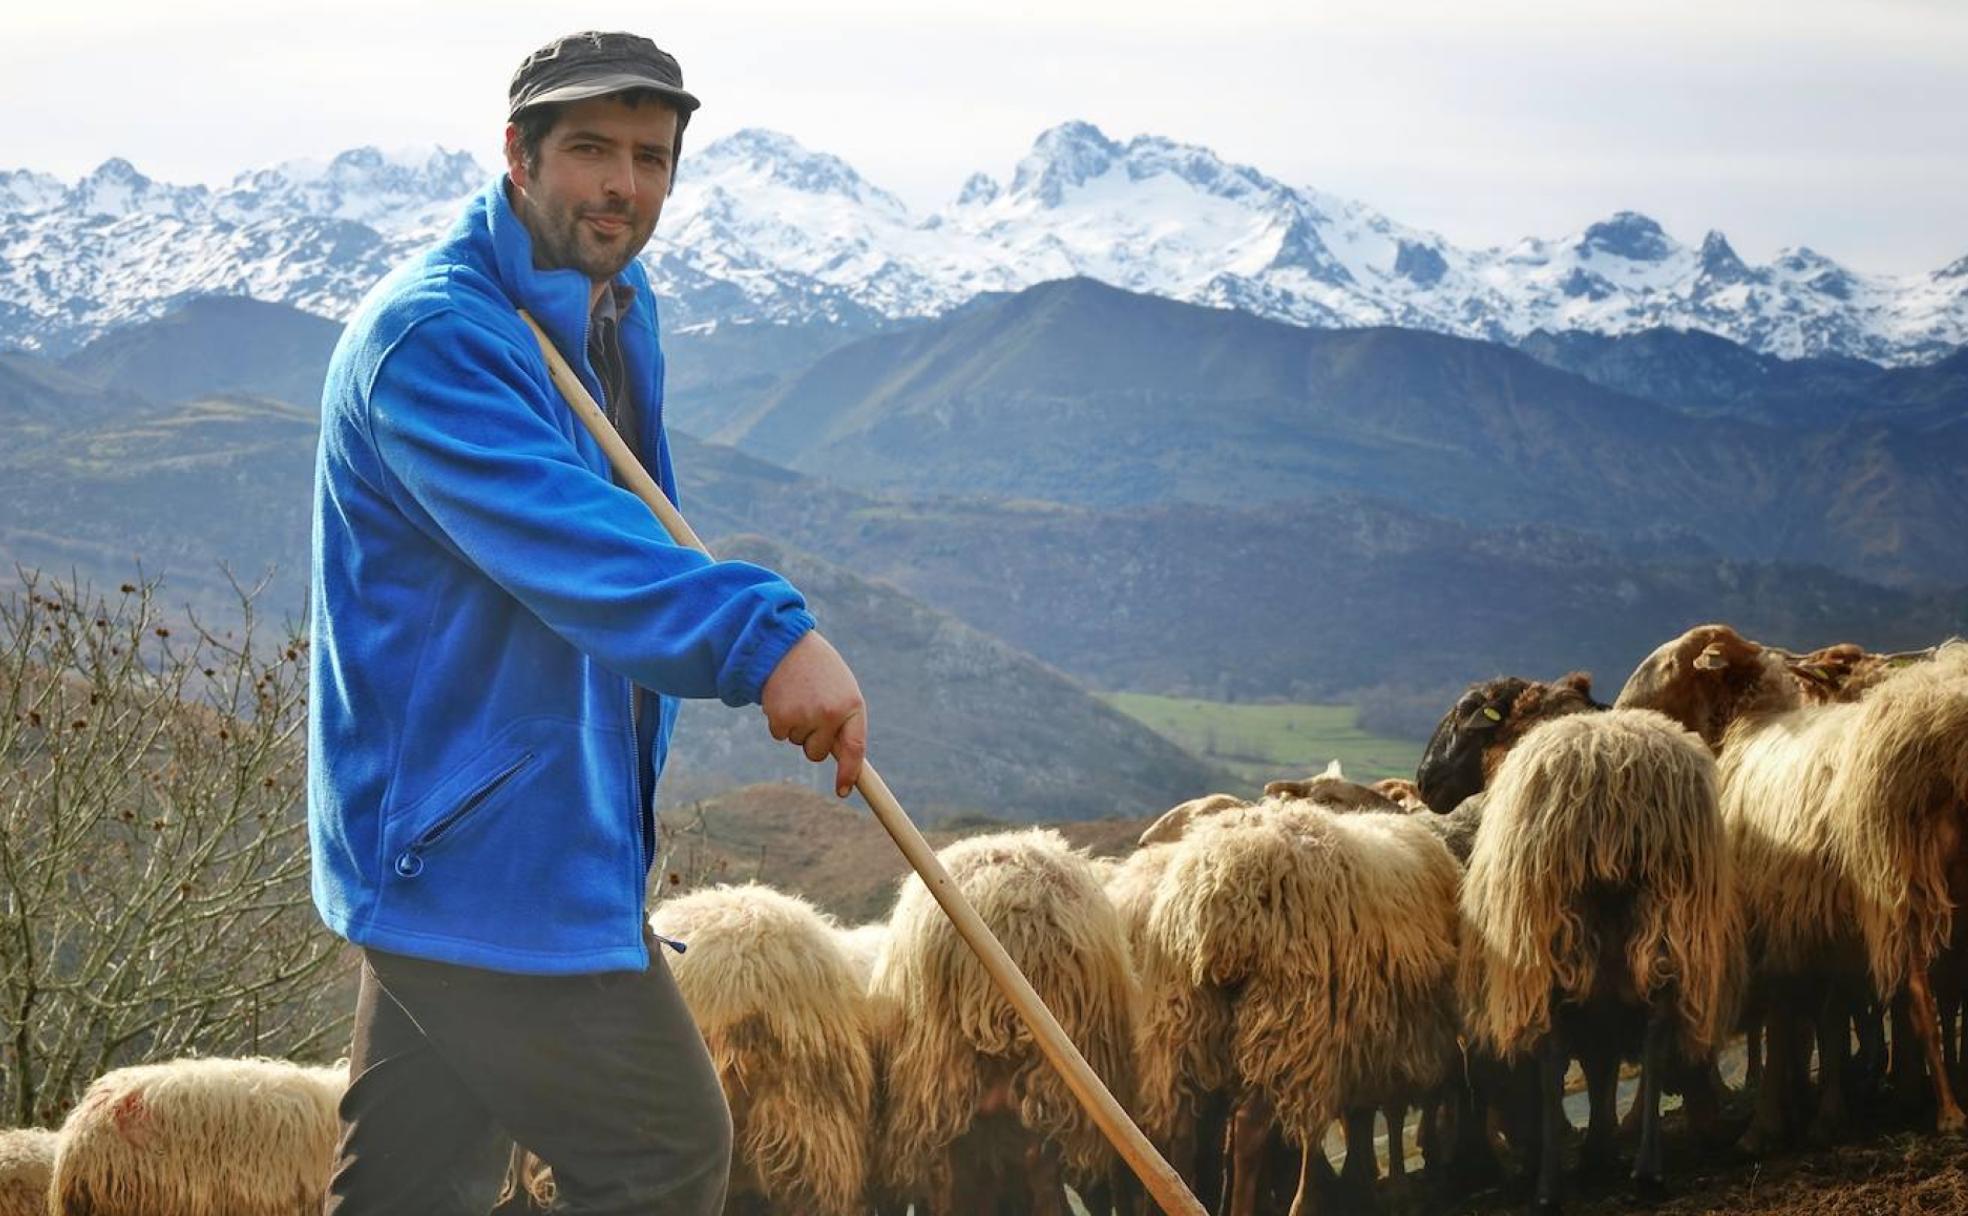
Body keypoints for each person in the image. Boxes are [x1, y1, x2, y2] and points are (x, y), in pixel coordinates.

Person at [307, 30, 867, 1215]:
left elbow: (628, 524)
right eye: (591, 150)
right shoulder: (438, 343)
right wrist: (763, 637)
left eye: (651, 158)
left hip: (498, 830)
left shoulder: (609, 303)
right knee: (663, 1152)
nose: (623, 183)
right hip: (479, 853)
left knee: (414, 1192)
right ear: (519, 154)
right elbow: (576, 546)